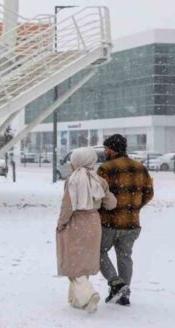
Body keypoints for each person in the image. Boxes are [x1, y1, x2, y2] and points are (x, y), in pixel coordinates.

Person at [56, 148, 117, 313]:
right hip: (93, 222)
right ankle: (76, 300)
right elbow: (111, 204)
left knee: (73, 261)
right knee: (84, 260)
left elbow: (67, 206)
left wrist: (61, 224)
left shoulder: (72, 180)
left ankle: (88, 295)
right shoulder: (100, 181)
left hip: (75, 222)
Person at [97, 134, 155, 306]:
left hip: (109, 222)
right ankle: (124, 294)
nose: (105, 151)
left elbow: (98, 194)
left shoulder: (105, 169)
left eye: (106, 148)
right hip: (131, 223)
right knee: (125, 257)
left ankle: (116, 284)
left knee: (98, 252)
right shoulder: (140, 167)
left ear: (112, 149)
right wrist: (133, 207)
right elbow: (149, 193)